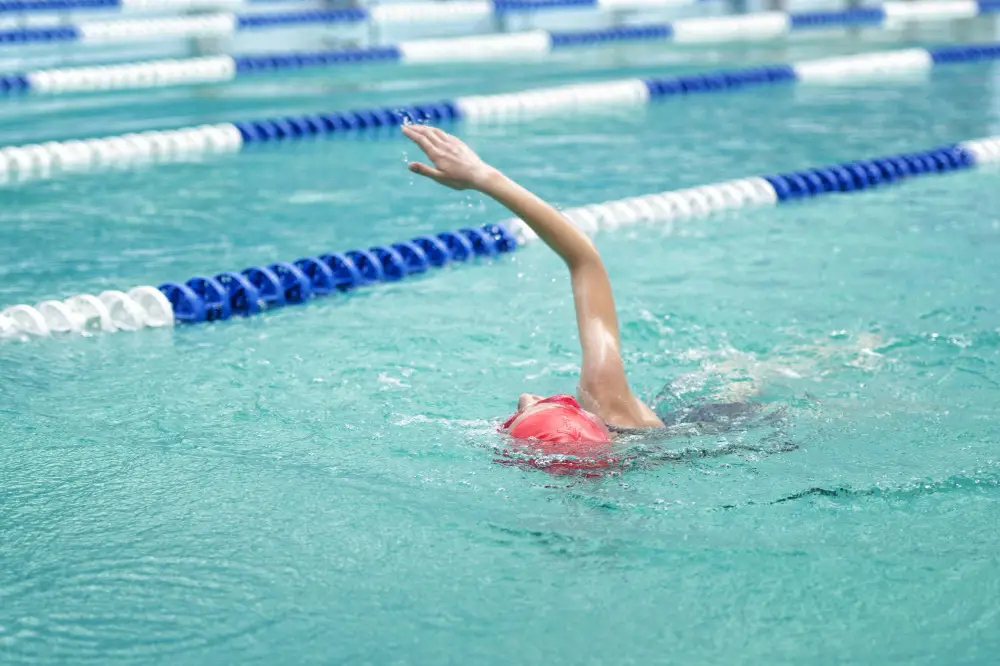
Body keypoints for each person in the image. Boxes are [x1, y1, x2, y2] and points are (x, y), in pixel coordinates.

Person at [402, 124, 664, 465]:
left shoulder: (599, 455)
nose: (526, 395)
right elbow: (584, 260)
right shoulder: (606, 398)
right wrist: (483, 177)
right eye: (539, 403)